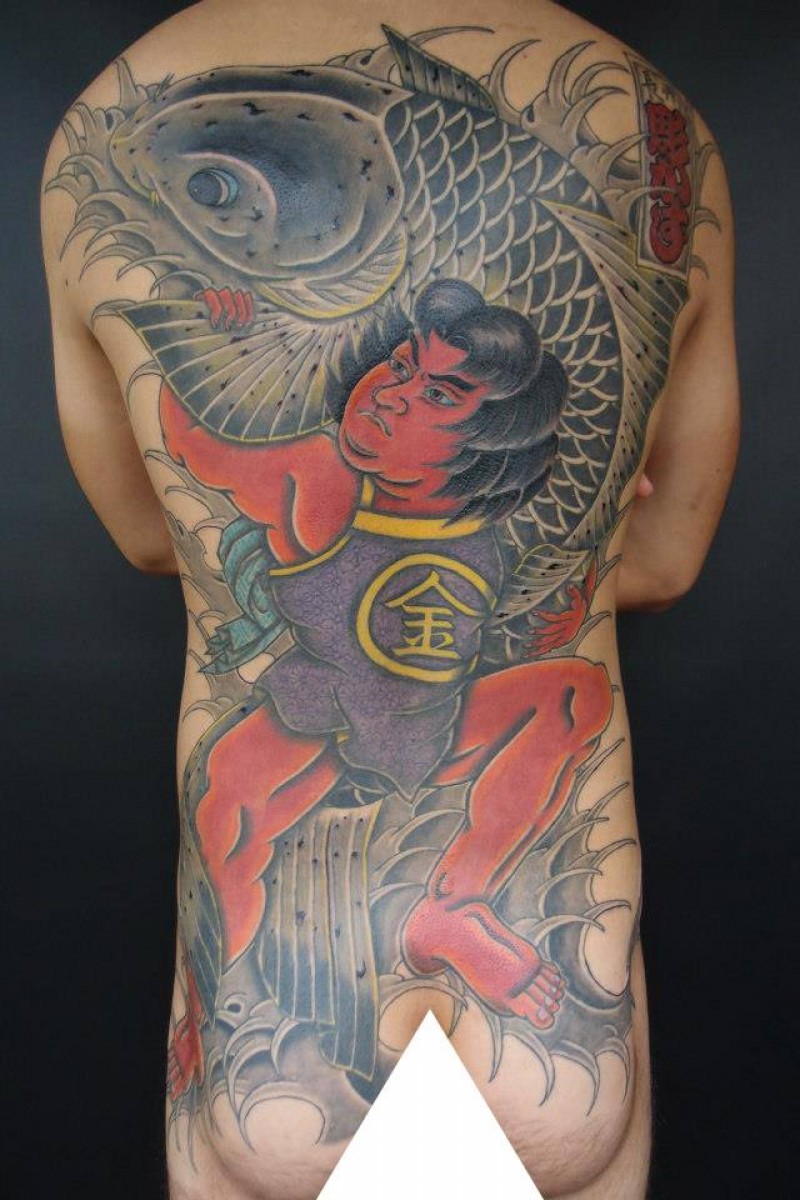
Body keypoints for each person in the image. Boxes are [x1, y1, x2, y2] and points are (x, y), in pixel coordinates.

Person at [41, 3, 739, 1198]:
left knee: (529, 708)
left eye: (432, 396)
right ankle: (419, 916)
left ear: (486, 440)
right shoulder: (658, 117)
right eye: (397, 368)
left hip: (294, 1025)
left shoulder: (105, 110)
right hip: (351, 763)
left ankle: (445, 906)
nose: (388, 392)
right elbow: (664, 562)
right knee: (265, 795)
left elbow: (158, 536)